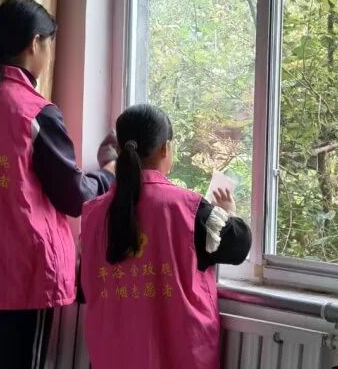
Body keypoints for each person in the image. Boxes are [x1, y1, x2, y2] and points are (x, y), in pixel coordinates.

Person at [0, 0, 116, 369]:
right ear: (35, 43)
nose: (49, 55)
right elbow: (74, 197)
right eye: (50, 44)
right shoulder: (34, 112)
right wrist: (108, 175)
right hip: (21, 279)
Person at [79, 104, 251, 369]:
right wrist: (228, 213)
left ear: (120, 150)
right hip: (181, 356)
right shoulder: (189, 209)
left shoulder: (93, 213)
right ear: (164, 149)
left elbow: (84, 287)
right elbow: (238, 246)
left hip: (113, 356)